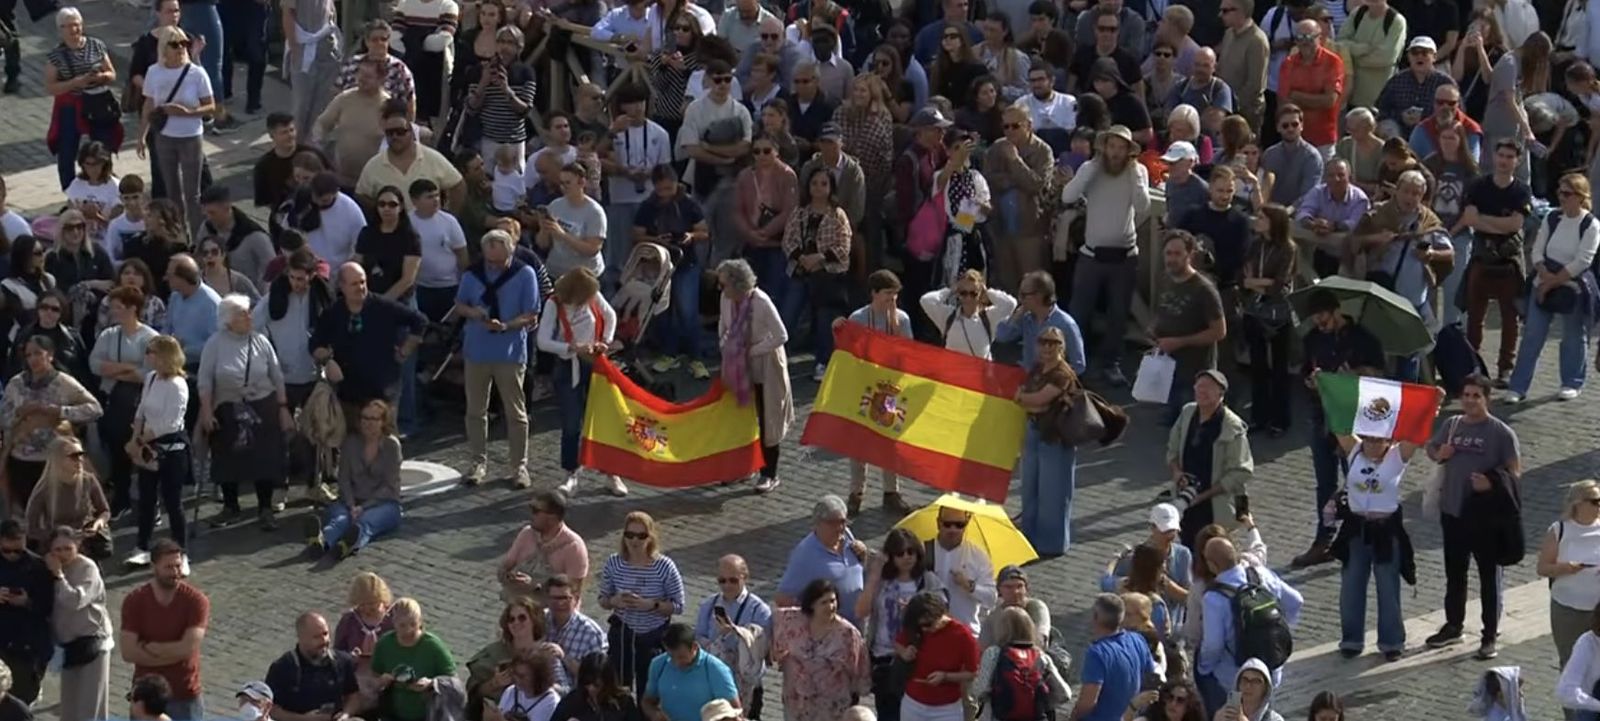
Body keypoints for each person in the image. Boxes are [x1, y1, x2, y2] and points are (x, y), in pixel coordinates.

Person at [1424, 374, 1522, 659]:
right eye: (1466, 395)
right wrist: (1439, 453)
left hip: (1485, 518)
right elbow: (1432, 448)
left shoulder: (1501, 433)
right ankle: (1453, 625)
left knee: (1489, 577)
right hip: (1452, 512)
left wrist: (1491, 482)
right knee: (1455, 573)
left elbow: (1515, 473)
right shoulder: (1452, 424)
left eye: (1476, 396)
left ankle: (1489, 634)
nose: (1469, 400)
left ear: (1487, 398)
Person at [1328, 426, 1426, 662]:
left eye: (1378, 440)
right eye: (1368, 438)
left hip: (1385, 530)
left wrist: (1431, 409)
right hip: (1356, 528)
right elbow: (1337, 422)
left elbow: (1416, 434)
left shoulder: (1397, 456)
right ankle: (1351, 640)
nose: (1371, 444)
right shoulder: (1355, 451)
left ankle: (1392, 642)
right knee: (1351, 585)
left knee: (1388, 586)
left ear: (1388, 441)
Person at [1061, 125, 1149, 386]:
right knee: (1079, 311)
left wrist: (1135, 174)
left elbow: (1143, 206)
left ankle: (1111, 364)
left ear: (1129, 151)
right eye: (1112, 146)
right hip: (1091, 255)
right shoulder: (1091, 169)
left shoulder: (1138, 171)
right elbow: (1068, 196)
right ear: (1104, 147)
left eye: (1122, 148)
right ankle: (1075, 362)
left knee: (1118, 314)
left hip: (1124, 256)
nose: (1116, 153)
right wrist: (1089, 170)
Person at [454, 228, 540, 487]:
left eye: (499, 261)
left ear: (511, 253)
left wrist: (506, 326)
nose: (493, 266)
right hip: (477, 350)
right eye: (490, 260)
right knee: (475, 410)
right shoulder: (472, 274)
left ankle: (519, 466)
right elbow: (460, 304)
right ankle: (477, 462)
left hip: (509, 352)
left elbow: (531, 313)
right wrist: (475, 313)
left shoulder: (525, 274)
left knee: (516, 412)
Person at [198, 293, 291, 530]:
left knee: (265, 459)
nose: (249, 317)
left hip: (262, 406)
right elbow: (205, 380)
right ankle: (231, 507)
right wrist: (207, 411)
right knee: (227, 458)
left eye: (249, 312)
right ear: (228, 320)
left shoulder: (261, 341)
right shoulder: (215, 344)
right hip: (227, 408)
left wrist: (283, 408)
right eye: (243, 314)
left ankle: (265, 508)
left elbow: (277, 376)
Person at [1505, 173, 1598, 403]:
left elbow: (1583, 260)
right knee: (1532, 335)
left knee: (1573, 336)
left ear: (1580, 197)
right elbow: (1537, 250)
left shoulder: (1591, 225)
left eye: (1567, 193)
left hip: (1573, 286)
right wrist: (1544, 276)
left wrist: (1552, 282)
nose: (1561, 197)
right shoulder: (1552, 217)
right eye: (1560, 192)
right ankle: (1518, 387)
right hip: (1544, 279)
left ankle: (1571, 382)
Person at [536, 268, 623, 495]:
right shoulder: (554, 303)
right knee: (571, 423)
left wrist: (605, 341)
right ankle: (571, 472)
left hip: (595, 364)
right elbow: (543, 341)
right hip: (568, 367)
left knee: (602, 420)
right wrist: (571, 347)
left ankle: (611, 472)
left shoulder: (591, 293)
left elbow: (610, 315)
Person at [1456, 139, 1531, 383]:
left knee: (1510, 318)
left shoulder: (1521, 191)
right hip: (1481, 256)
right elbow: (1469, 219)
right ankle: (1473, 366)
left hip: (1509, 260)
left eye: (1510, 157)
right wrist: (1500, 225)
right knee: (1474, 316)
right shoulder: (1478, 186)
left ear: (1517, 161)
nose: (1504, 161)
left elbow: (1516, 225)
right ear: (1494, 156)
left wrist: (1484, 221)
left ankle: (1505, 369)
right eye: (1501, 155)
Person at [0, 335, 102, 512]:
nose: (33, 359)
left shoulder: (63, 382)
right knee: (27, 513)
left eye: (38, 353)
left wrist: (58, 411)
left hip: (54, 460)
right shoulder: (16, 384)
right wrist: (20, 416)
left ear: (50, 355)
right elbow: (3, 416)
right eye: (29, 355)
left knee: (56, 513)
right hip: (22, 460)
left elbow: (95, 409)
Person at [716, 258, 792, 494]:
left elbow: (781, 335)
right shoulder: (726, 299)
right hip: (738, 366)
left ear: (738, 284)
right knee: (742, 417)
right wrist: (726, 345)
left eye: (724, 284)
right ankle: (744, 468)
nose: (720, 288)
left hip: (766, 365)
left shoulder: (761, 301)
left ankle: (769, 474)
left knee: (768, 418)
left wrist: (753, 351)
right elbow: (723, 325)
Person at [311, 263, 427, 418]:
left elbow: (419, 321)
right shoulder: (333, 313)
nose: (360, 287)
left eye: (362, 282)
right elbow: (315, 343)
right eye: (354, 284)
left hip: (382, 393)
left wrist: (405, 350)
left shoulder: (383, 307)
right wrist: (327, 360)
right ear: (342, 286)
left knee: (383, 433)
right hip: (348, 394)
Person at [854, 528, 941, 720]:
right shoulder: (882, 581)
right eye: (900, 553)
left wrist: (915, 610)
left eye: (911, 552)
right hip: (884, 658)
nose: (907, 557)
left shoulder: (928, 581)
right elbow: (860, 611)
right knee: (888, 714)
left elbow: (941, 615)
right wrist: (874, 576)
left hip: (915, 658)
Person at [136, 26, 214, 238]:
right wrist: (141, 135)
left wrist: (188, 112)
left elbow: (211, 106)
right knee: (172, 192)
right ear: (164, 48)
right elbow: (149, 104)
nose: (180, 48)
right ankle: (179, 236)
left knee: (193, 194)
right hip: (164, 137)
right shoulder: (154, 72)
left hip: (191, 137)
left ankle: (198, 237)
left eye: (184, 44)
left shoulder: (196, 73)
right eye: (174, 44)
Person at [1011, 326, 1083, 556]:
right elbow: (1034, 402)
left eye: (1053, 342)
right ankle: (1029, 539)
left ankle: (1051, 545)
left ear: (1062, 346)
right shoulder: (1037, 368)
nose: (1047, 347)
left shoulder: (1063, 373)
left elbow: (1040, 400)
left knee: (1053, 492)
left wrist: (1023, 399)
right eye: (1043, 341)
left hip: (1055, 437)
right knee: (1030, 488)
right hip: (1034, 430)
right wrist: (1028, 401)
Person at [1162, 370, 1253, 551]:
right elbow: (1173, 448)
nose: (1202, 391)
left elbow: (1241, 472)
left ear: (1221, 393)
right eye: (1199, 386)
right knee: (1187, 545)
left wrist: (1203, 496)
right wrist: (1177, 472)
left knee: (1214, 551)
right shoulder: (1188, 412)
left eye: (1209, 387)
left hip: (1216, 506)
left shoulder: (1232, 426)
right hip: (1186, 499)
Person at [120, 538, 210, 720]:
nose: (176, 572)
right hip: (146, 699)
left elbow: (187, 649)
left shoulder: (196, 601)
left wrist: (151, 649)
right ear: (154, 567)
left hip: (184, 694)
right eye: (169, 567)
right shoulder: (135, 601)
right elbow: (128, 653)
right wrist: (172, 654)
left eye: (178, 566)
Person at [599, 511, 685, 699]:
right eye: (630, 535)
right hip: (623, 634)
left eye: (641, 536)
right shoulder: (614, 563)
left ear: (650, 537)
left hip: (652, 637)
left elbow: (678, 605)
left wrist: (652, 605)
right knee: (618, 689)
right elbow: (602, 599)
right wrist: (614, 601)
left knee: (649, 692)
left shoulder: (664, 566)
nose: (635, 541)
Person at [782, 164, 852, 381]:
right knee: (787, 315)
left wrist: (820, 258)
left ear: (831, 188)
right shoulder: (800, 213)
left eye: (824, 184)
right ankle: (775, 357)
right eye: (814, 183)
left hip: (827, 275)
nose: (818, 188)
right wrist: (801, 258)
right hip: (800, 272)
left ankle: (823, 362)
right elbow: (788, 240)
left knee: (824, 321)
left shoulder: (837, 215)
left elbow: (844, 245)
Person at [124, 335, 189, 567]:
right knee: (146, 499)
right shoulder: (151, 378)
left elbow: (170, 423)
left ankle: (181, 552)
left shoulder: (178, 385)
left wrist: (142, 439)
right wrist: (134, 440)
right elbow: (141, 411)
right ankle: (142, 546)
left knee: (173, 501)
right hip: (148, 446)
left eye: (151, 352)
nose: (147, 356)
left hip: (171, 448)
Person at [309, 399, 402, 559]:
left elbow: (389, 485)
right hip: (350, 501)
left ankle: (348, 545)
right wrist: (352, 504)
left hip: (382, 503)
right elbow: (343, 479)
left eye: (374, 419)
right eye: (365, 418)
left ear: (383, 422)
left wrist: (363, 507)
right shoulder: (350, 442)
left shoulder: (391, 446)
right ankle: (322, 541)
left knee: (365, 522)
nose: (368, 423)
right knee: (340, 520)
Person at [1150, 231, 1227, 419]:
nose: (1171, 259)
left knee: (1194, 423)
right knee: (1172, 425)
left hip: (1195, 373)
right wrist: (1154, 329)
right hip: (1167, 368)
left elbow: (1219, 331)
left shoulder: (1204, 290)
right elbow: (1163, 310)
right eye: (1168, 253)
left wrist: (1180, 342)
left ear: (1190, 255)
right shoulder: (1165, 279)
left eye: (1177, 254)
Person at [44, 7, 122, 191]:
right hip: (70, 106)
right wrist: (76, 82)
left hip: (97, 103)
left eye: (76, 24)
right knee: (67, 150)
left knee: (102, 147)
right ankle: (71, 191)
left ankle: (107, 187)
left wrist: (100, 77)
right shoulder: (55, 56)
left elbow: (112, 74)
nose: (74, 29)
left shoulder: (96, 45)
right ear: (60, 29)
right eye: (68, 26)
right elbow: (51, 87)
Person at [771, 579, 868, 721]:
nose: (830, 606)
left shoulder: (848, 634)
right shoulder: (792, 621)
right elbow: (770, 622)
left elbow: (859, 670)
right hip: (797, 705)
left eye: (833, 601)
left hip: (832, 709)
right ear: (812, 604)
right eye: (824, 602)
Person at [1542, 481, 1600, 708]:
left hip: (1598, 609)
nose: (1599, 505)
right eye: (1595, 501)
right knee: (1570, 663)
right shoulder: (1559, 530)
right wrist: (1566, 568)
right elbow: (1543, 568)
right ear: (1578, 503)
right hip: (1568, 609)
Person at [45, 526, 112, 721]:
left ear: (77, 545)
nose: (63, 554)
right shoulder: (46, 568)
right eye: (58, 550)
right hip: (67, 646)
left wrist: (59, 576)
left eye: (68, 548)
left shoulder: (87, 568)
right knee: (69, 708)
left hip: (92, 643)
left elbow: (75, 601)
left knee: (90, 708)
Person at [1240, 205, 1296, 435]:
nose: (1257, 220)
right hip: (1255, 310)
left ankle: (1280, 419)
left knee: (1280, 367)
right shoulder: (1256, 245)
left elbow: (1280, 284)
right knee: (1258, 366)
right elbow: (1244, 275)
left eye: (1262, 217)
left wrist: (1255, 282)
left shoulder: (1288, 248)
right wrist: (1260, 283)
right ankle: (1259, 416)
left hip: (1278, 314)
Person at [691, 555, 771, 714]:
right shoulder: (708, 605)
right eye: (722, 581)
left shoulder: (759, 610)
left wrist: (738, 634)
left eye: (733, 580)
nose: (727, 585)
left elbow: (764, 649)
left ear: (745, 577)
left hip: (746, 685)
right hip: (713, 682)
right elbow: (698, 639)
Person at [774, 495, 869, 625]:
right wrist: (814, 621)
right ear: (817, 524)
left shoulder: (847, 536)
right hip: (829, 633)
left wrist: (863, 555)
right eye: (832, 523)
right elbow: (782, 598)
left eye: (842, 521)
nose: (839, 528)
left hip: (858, 627)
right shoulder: (805, 554)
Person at [465, 598, 567, 718]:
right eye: (511, 619)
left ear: (534, 620)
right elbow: (474, 694)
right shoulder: (494, 652)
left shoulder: (547, 652)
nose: (516, 622)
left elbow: (565, 691)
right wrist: (494, 683)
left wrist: (540, 684)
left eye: (522, 618)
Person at [264, 611, 363, 721]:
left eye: (325, 634)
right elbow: (271, 709)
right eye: (316, 637)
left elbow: (354, 695)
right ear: (301, 638)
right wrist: (305, 719)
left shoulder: (342, 661)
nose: (324, 641)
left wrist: (345, 714)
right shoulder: (283, 667)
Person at [896, 591, 979, 721]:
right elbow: (898, 643)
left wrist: (945, 676)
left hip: (947, 708)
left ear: (940, 615)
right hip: (913, 703)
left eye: (928, 625)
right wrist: (904, 653)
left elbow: (972, 672)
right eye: (920, 626)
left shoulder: (963, 635)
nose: (924, 629)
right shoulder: (915, 627)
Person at [370, 598, 457, 721]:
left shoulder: (433, 646)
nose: (408, 630)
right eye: (402, 625)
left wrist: (431, 683)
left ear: (420, 622)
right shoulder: (385, 644)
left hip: (429, 713)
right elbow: (374, 676)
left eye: (413, 624)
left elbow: (454, 682)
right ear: (393, 623)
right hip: (392, 711)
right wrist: (381, 681)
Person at [499, 491, 591, 602]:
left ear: (552, 517)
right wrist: (508, 576)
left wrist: (535, 586)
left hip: (552, 610)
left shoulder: (573, 546)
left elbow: (574, 590)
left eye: (536, 511)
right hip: (519, 608)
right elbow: (505, 566)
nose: (531, 515)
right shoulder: (527, 533)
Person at [22, 436, 108, 555]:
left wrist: (98, 524)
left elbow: (104, 511)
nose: (80, 460)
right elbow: (32, 528)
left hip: (86, 542)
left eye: (81, 455)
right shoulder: (44, 489)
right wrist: (57, 536)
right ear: (58, 460)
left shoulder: (88, 480)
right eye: (74, 456)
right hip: (59, 548)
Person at [0, 520, 52, 708]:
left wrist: (27, 602)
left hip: (26, 646)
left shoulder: (38, 566)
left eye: (18, 551)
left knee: (20, 701)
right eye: (6, 550)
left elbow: (48, 606)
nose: (12, 555)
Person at [316, 60, 392, 185]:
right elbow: (322, 124)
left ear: (381, 80)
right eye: (359, 74)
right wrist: (320, 147)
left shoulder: (388, 106)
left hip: (370, 180)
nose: (361, 79)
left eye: (368, 76)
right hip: (340, 174)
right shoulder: (345, 98)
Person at [642, 624, 740, 721]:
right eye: (671, 656)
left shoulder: (715, 669)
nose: (676, 662)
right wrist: (655, 715)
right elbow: (648, 701)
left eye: (681, 657)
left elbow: (734, 712)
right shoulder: (659, 665)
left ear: (694, 647)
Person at [1278, 19, 1344, 153]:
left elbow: (1329, 101)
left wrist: (1297, 96)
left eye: (1309, 37)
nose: (1304, 42)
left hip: (1323, 138)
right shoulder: (1288, 64)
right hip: (1294, 138)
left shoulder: (1333, 62)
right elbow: (1284, 102)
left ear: (1320, 38)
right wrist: (1316, 98)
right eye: (1300, 37)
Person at [922, 269, 1018, 360]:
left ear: (980, 294)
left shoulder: (989, 317)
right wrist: (950, 290)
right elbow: (926, 300)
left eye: (973, 293)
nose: (968, 298)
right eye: (963, 293)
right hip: (952, 370)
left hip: (980, 371)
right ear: (958, 294)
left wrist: (988, 292)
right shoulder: (948, 316)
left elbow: (1010, 304)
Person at [333, 572, 395, 709]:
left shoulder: (392, 619)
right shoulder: (349, 620)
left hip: (386, 671)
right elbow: (337, 652)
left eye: (372, 604)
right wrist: (349, 657)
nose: (367, 609)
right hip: (358, 672)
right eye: (362, 605)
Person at [198, 185, 274, 290]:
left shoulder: (256, 237)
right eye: (206, 213)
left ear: (226, 207)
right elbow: (199, 260)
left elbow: (272, 273)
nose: (208, 218)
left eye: (212, 213)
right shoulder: (206, 229)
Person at [1336, 0, 1405, 110]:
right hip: (1352, 98)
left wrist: (1353, 57)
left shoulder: (1396, 21)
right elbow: (1339, 44)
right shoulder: (1357, 14)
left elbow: (1386, 58)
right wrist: (1364, 48)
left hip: (1380, 101)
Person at [549, 652, 643, 721]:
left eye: (596, 685)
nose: (591, 688)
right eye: (587, 683)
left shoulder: (624, 702)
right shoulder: (573, 701)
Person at [1261, 105, 1324, 207]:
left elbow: (1309, 194)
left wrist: (1289, 210)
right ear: (1278, 128)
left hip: (1302, 211)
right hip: (1271, 210)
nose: (1290, 129)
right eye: (1285, 125)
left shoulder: (1312, 157)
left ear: (1301, 126)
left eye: (1295, 124)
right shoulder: (1269, 155)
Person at [164, 255, 222, 365]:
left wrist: (184, 349)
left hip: (199, 365)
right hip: (175, 361)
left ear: (182, 278)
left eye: (170, 275)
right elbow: (167, 327)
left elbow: (218, 344)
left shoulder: (211, 303)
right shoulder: (175, 297)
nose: (166, 279)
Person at [1216, 661, 1284, 721]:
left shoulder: (1275, 719)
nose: (1248, 686)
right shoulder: (1224, 715)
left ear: (1265, 688)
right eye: (1244, 680)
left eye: (1256, 681)